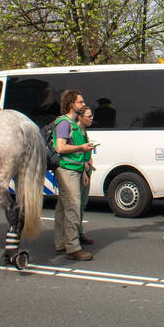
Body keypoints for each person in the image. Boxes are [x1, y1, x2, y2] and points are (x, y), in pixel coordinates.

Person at [52, 89, 96, 260]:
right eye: (80, 102)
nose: (83, 105)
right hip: (67, 171)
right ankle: (73, 247)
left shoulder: (72, 124)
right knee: (73, 208)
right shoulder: (64, 123)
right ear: (71, 104)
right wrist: (81, 148)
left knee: (63, 209)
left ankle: (61, 244)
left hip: (73, 169)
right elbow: (60, 148)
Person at [76, 105, 95, 247]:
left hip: (87, 170)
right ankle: (74, 236)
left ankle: (79, 232)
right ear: (80, 117)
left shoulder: (84, 132)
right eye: (89, 116)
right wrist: (84, 171)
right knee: (75, 206)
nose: (91, 118)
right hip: (81, 172)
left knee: (82, 205)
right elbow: (76, 154)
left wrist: (90, 161)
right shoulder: (76, 131)